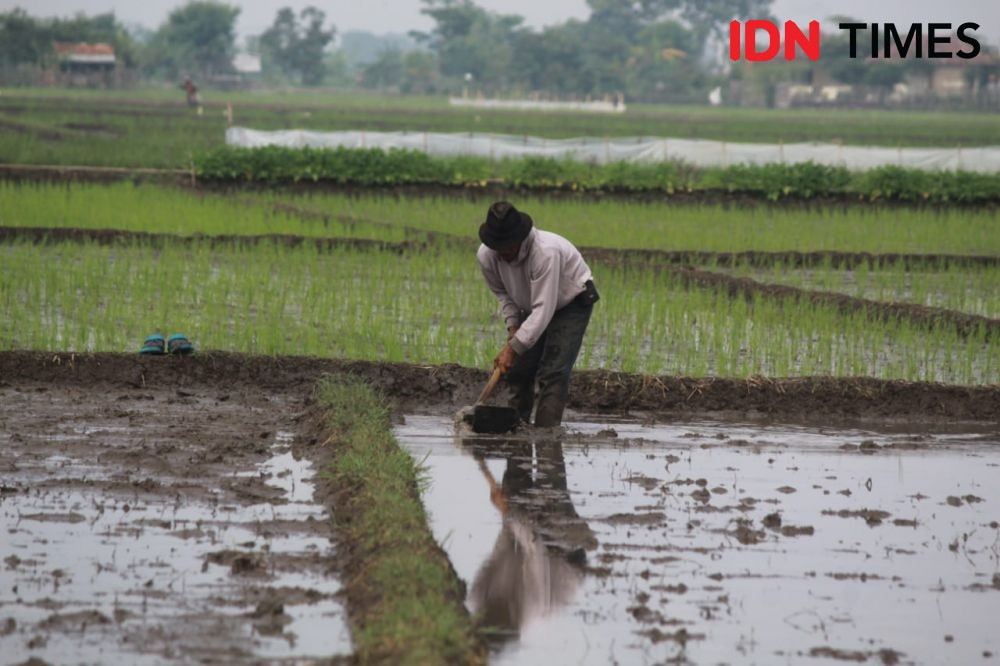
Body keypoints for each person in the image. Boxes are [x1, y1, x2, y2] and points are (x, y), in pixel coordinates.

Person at [477, 201, 599, 427]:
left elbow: (544, 308)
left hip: (570, 302)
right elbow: (504, 295)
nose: (504, 252)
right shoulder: (487, 256)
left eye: (509, 246)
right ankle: (514, 426)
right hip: (533, 305)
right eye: (498, 247)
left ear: (521, 238)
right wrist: (514, 328)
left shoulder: (545, 252)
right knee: (519, 370)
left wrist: (512, 348)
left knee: (552, 371)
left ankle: (546, 434)